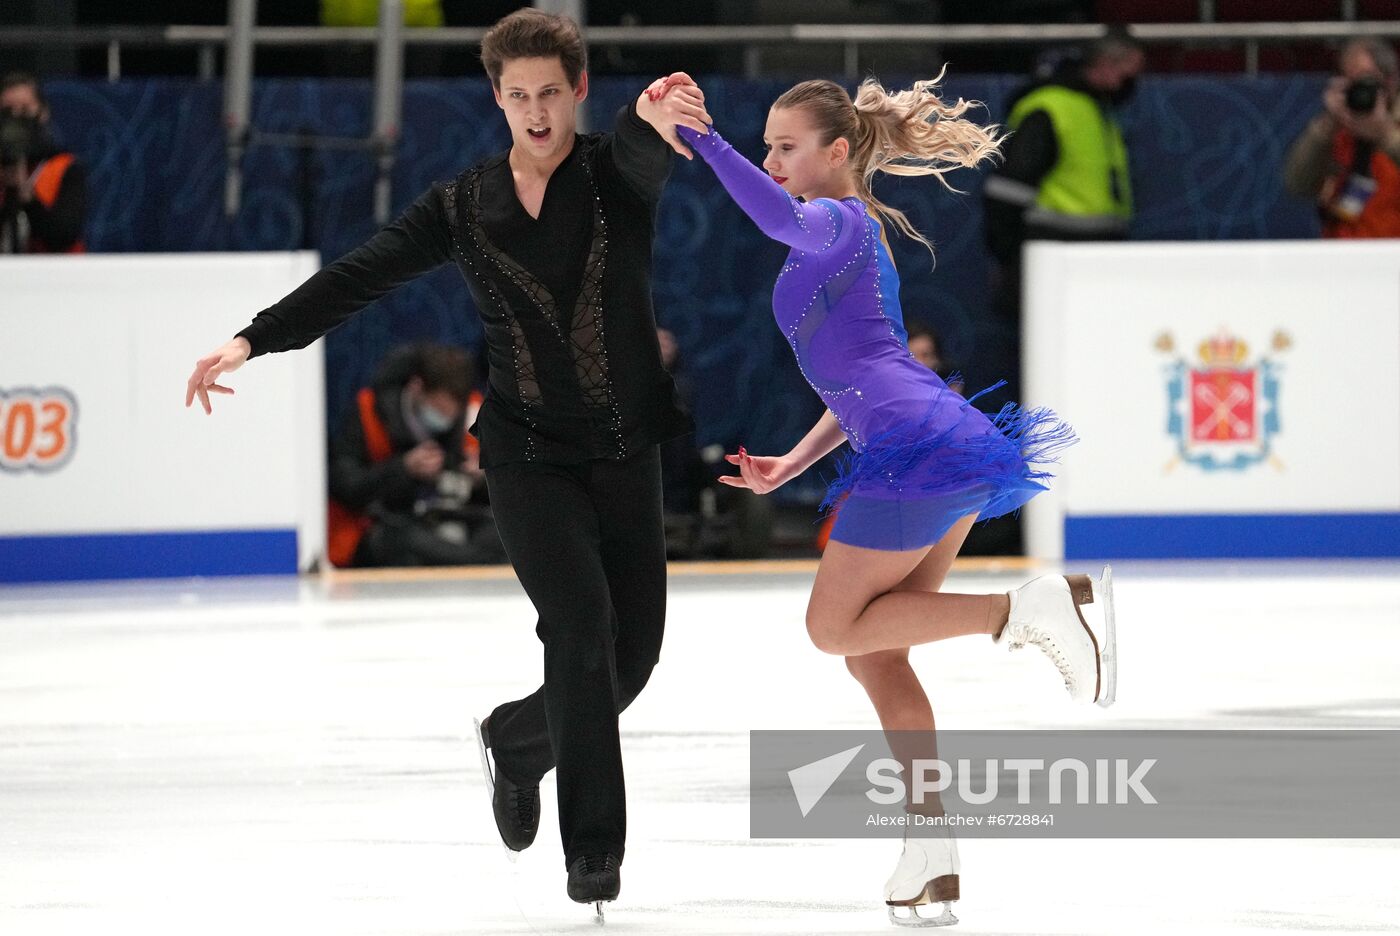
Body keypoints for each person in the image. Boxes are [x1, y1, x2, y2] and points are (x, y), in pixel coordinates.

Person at [183, 8, 708, 918]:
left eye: (551, 92)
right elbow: (361, 273)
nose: (537, 111)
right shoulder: (464, 207)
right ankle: (594, 856)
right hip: (526, 454)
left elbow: (643, 144)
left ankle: (515, 739)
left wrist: (662, 113)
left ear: (577, 91)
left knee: (629, 665)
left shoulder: (612, 176)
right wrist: (252, 340)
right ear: (496, 98)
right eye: (518, 96)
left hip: (626, 452)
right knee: (580, 628)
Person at [655, 72, 1117, 928]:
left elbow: (773, 215)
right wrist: (793, 463)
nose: (770, 159)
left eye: (783, 146)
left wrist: (700, 141)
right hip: (931, 437)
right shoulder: (845, 237)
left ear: (836, 153)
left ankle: (1028, 609)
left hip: (918, 450)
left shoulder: (830, 219)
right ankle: (929, 850)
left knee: (832, 630)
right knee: (876, 652)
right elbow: (864, 374)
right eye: (764, 146)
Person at [327, 342, 505, 568]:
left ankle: (465, 563)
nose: (445, 420)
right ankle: (466, 563)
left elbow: (509, 493)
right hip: (392, 523)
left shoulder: (474, 411)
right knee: (401, 543)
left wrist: (485, 476)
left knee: (504, 539)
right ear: (417, 387)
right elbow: (346, 486)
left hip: (458, 517)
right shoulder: (369, 411)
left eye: (452, 414)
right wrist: (403, 468)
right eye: (438, 411)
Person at [1284, 37, 1400, 238]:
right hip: (1341, 256)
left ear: (1390, 81)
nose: (1361, 91)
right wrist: (1325, 128)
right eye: (1351, 82)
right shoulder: (1335, 131)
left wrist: (1386, 136)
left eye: (1367, 81)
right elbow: (1297, 184)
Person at [0, 72, 86, 254]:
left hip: (55, 276)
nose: (16, 118)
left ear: (42, 112)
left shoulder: (65, 167)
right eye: (7, 111)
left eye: (24, 110)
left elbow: (64, 236)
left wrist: (29, 199)